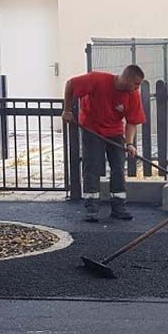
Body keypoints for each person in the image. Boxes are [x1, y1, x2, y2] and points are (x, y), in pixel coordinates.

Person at [62, 65, 146, 222]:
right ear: (126, 79)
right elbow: (70, 85)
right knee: (92, 166)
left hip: (114, 131)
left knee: (119, 167)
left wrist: (129, 144)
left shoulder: (133, 95)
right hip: (91, 128)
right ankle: (91, 207)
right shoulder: (97, 80)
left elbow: (132, 122)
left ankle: (119, 206)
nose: (137, 87)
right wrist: (67, 110)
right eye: (136, 83)